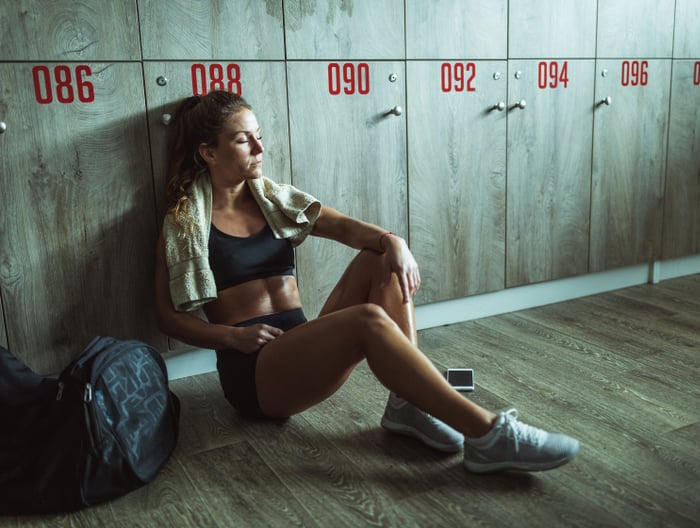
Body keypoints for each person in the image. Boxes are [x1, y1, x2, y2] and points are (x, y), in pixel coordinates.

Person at [154, 90, 579, 474]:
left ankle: (407, 406)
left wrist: (392, 241)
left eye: (258, 135)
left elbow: (343, 228)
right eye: (243, 139)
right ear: (208, 152)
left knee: (380, 258)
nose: (260, 148)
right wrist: (231, 338)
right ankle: (488, 435)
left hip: (299, 344)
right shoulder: (184, 221)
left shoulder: (272, 200)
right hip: (255, 374)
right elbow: (168, 318)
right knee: (368, 321)